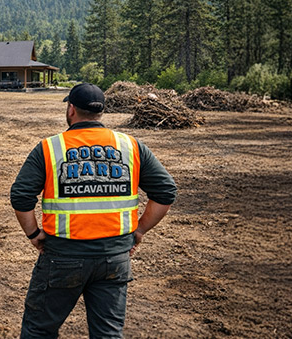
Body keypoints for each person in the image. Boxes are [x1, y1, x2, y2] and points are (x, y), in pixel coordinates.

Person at [11, 83, 177, 338]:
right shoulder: (130, 146)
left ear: (71, 109)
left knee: (39, 331)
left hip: (62, 257)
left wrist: (34, 235)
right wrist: (140, 230)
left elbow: (21, 196)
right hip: (114, 258)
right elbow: (165, 192)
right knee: (108, 334)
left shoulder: (50, 148)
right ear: (100, 112)